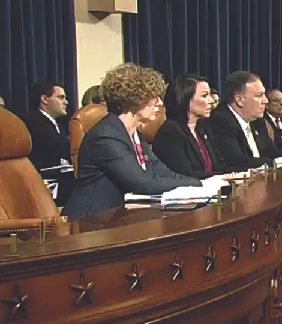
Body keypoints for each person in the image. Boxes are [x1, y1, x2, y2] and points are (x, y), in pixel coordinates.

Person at [62, 63, 206, 219]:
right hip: (89, 224)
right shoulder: (106, 136)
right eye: (153, 97)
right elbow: (143, 183)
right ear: (134, 100)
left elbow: (163, 172)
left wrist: (200, 183)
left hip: (117, 219)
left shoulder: (134, 134)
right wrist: (199, 185)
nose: (160, 103)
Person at [152, 74, 247, 179]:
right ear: (186, 99)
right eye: (204, 95)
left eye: (210, 95)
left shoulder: (203, 129)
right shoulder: (170, 132)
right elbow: (185, 174)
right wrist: (225, 177)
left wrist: (244, 173)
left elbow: (219, 166)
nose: (211, 101)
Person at [208, 71, 282, 168]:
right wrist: (281, 161)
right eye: (259, 95)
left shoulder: (258, 120)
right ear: (239, 100)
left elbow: (270, 150)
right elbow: (237, 162)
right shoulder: (221, 121)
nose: (266, 101)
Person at [23, 80, 71, 170]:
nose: (66, 102)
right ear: (44, 99)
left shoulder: (58, 123)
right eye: (61, 97)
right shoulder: (34, 122)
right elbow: (59, 149)